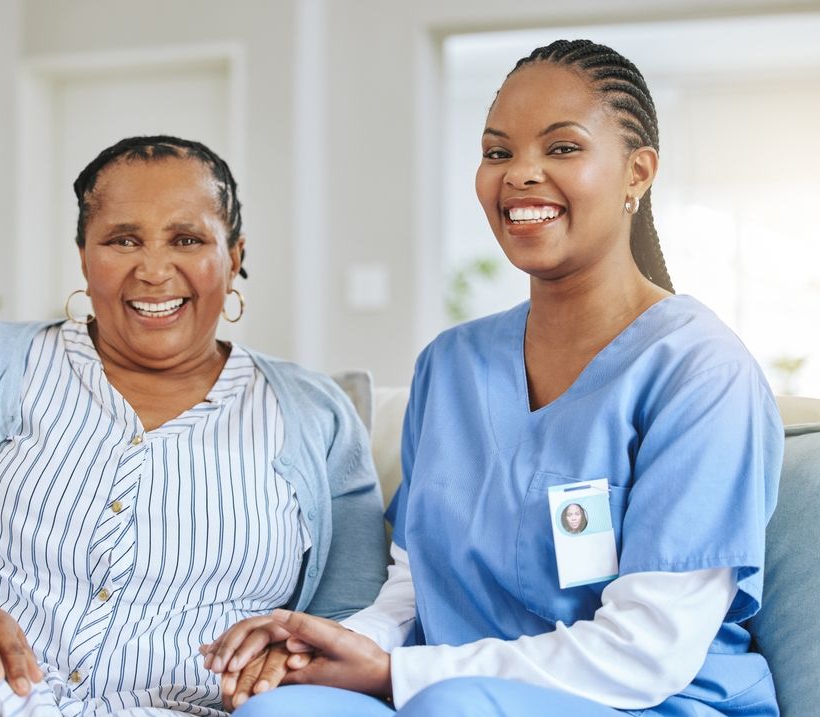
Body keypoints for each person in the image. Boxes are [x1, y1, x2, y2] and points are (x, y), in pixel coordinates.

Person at [201, 39, 784, 716]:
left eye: (562, 148)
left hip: (647, 701)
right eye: (498, 151)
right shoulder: (451, 365)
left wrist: (404, 673)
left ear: (637, 172)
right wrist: (332, 647)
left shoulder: (700, 370)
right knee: (279, 709)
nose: (519, 175)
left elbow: (646, 652)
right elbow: (415, 587)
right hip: (441, 686)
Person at [0, 135, 386, 717]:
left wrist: (285, 658)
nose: (154, 269)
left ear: (234, 256)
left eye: (187, 240)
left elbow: (350, 613)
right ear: (85, 258)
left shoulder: (317, 414)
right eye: (123, 240)